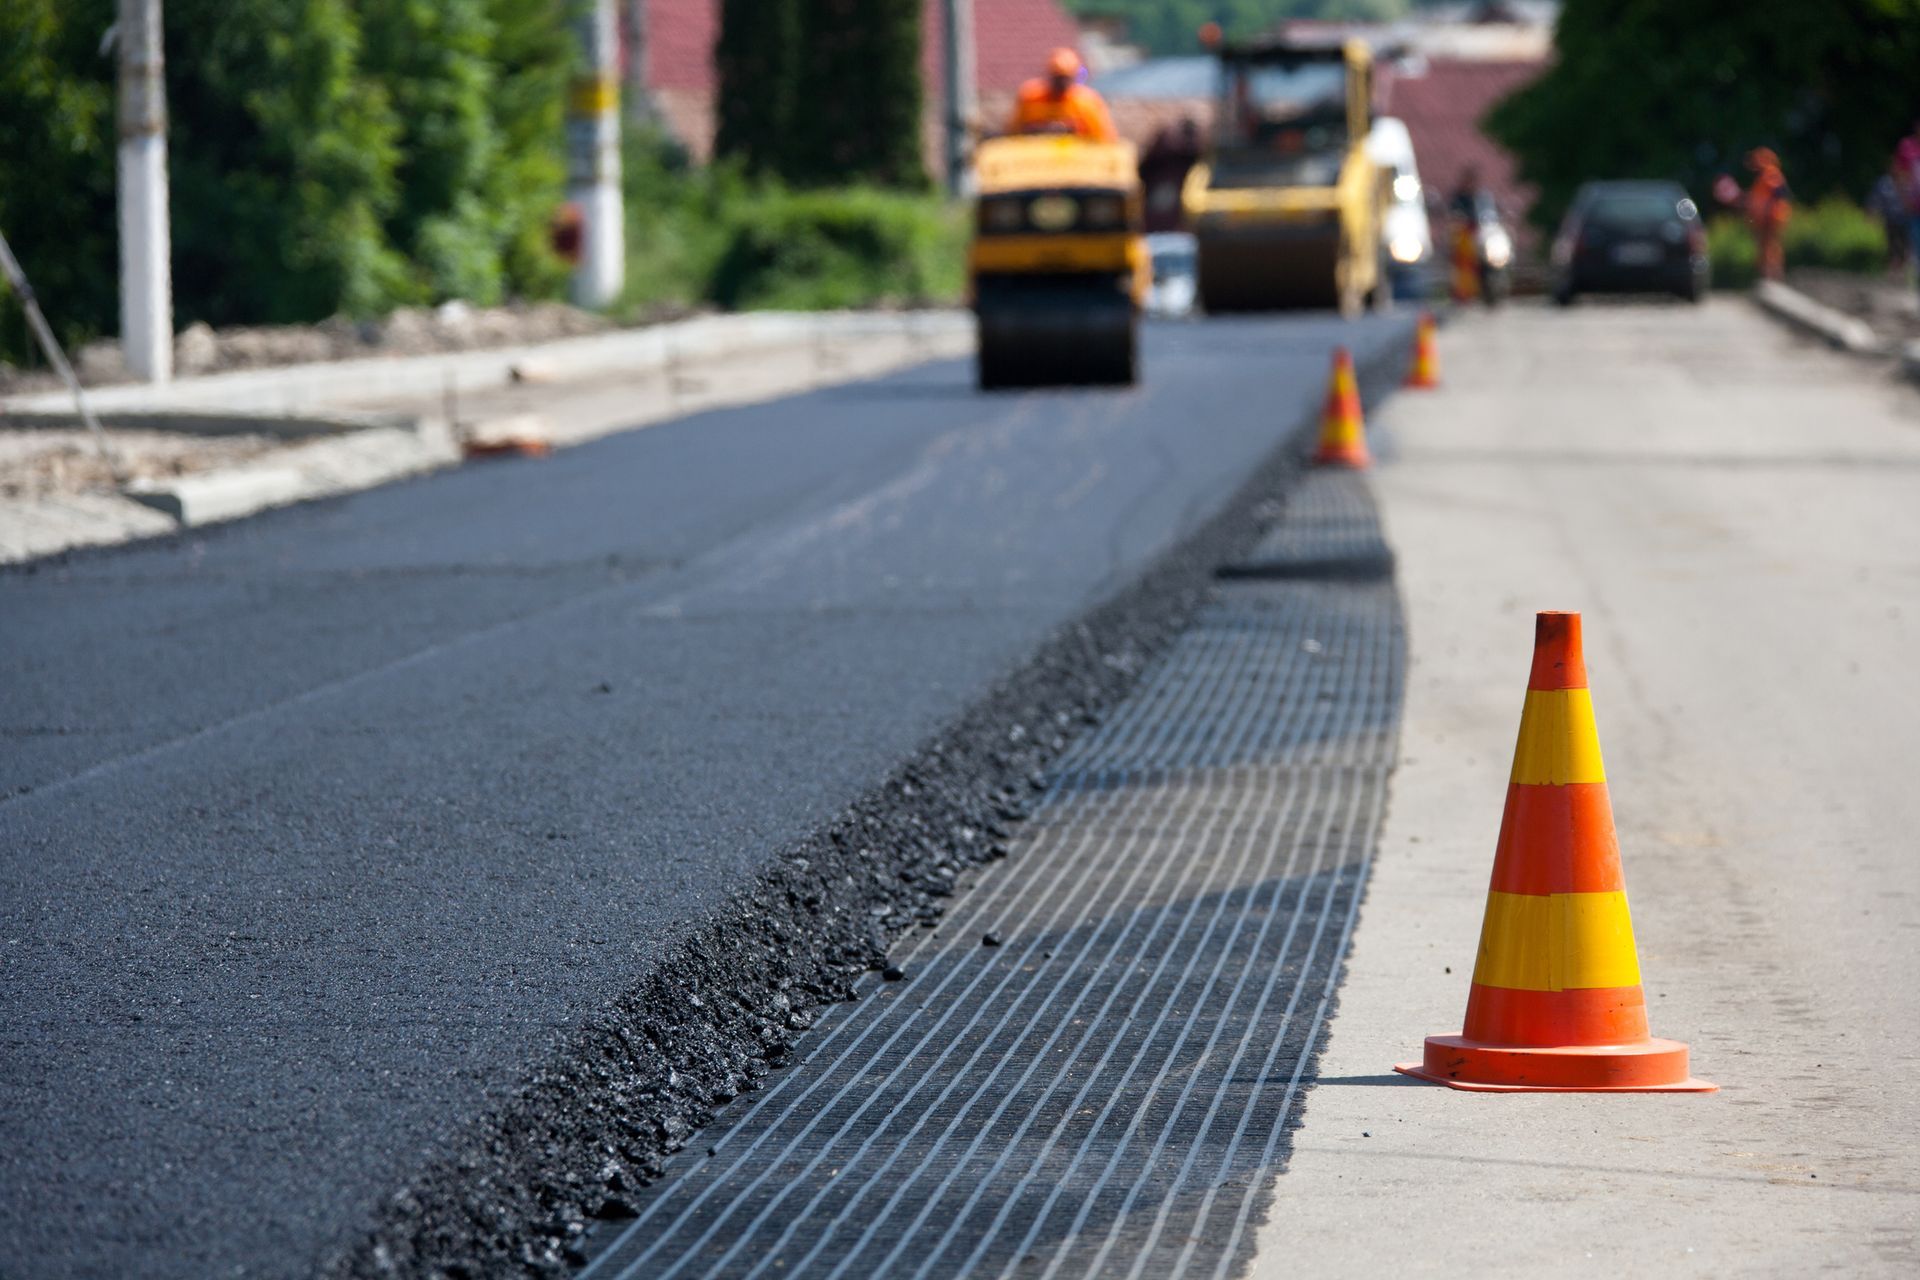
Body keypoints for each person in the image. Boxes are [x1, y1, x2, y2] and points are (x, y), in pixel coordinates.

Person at [1007, 48, 1118, 143]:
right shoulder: (1031, 97)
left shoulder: (1086, 102)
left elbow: (1104, 136)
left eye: (1066, 78)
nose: (1061, 84)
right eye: (1058, 78)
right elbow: (1013, 132)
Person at [1743, 147, 1792, 282]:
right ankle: (1768, 277)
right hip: (1766, 219)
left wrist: (1766, 213)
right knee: (1766, 247)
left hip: (1772, 218)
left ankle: (1772, 277)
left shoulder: (1770, 173)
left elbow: (1779, 195)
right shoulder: (1763, 177)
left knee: (1770, 247)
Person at [1895, 121, 1920, 295]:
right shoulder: (1907, 148)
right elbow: (1900, 175)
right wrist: (1904, 199)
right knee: (1915, 245)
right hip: (1914, 207)